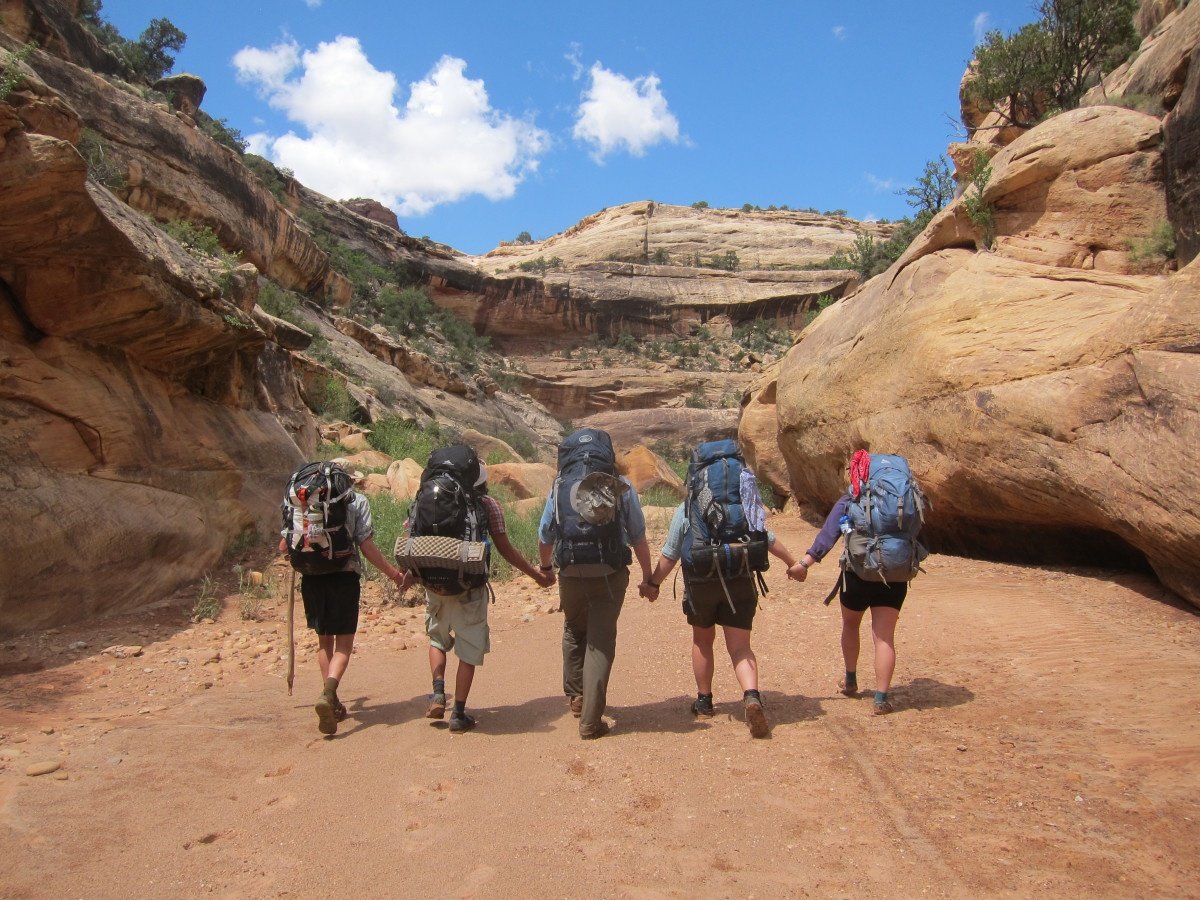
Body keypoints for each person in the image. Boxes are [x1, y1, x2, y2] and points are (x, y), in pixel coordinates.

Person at [643, 456, 808, 738]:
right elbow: (766, 538)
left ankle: (705, 701)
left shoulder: (688, 508)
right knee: (740, 647)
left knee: (702, 641)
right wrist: (793, 563)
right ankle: (751, 695)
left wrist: (652, 583)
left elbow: (670, 554)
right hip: (739, 582)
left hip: (701, 583)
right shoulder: (742, 506)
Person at [399, 461, 554, 734]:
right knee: (468, 649)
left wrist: (406, 572)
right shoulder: (487, 505)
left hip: (433, 584)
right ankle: (458, 712)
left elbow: (411, 535)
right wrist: (536, 575)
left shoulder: (428, 496)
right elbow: (505, 548)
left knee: (437, 638)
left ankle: (437, 693)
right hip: (469, 586)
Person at [537, 429, 655, 740]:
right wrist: (647, 576)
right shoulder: (623, 486)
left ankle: (576, 696)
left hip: (570, 571)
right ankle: (590, 720)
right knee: (600, 641)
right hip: (609, 572)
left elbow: (545, 534)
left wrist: (546, 568)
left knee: (574, 629)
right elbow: (638, 536)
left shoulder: (559, 486)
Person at [280, 467, 406, 737]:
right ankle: (329, 693)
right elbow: (366, 546)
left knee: (324, 642)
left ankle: (332, 700)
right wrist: (394, 574)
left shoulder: (303, 502)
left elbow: (283, 546)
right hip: (344, 576)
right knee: (344, 645)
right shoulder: (356, 501)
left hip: (312, 577)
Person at [792, 450, 909, 715]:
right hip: (894, 574)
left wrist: (804, 564)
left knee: (850, 624)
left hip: (856, 575)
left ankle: (851, 679)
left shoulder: (851, 499)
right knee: (884, 638)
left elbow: (828, 535)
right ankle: (881, 698)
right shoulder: (901, 501)